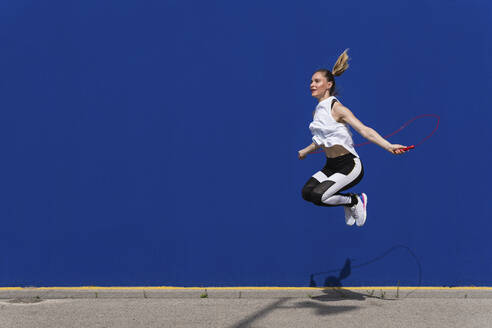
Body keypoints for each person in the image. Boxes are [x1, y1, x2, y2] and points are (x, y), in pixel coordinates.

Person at [298, 49, 408, 226]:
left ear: (329, 85)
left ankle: (355, 201)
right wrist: (306, 150)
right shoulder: (318, 112)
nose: (312, 84)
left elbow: (364, 130)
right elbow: (322, 140)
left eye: (317, 81)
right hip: (331, 166)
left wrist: (389, 146)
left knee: (319, 196)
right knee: (307, 193)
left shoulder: (338, 109)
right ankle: (349, 202)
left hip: (349, 165)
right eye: (311, 81)